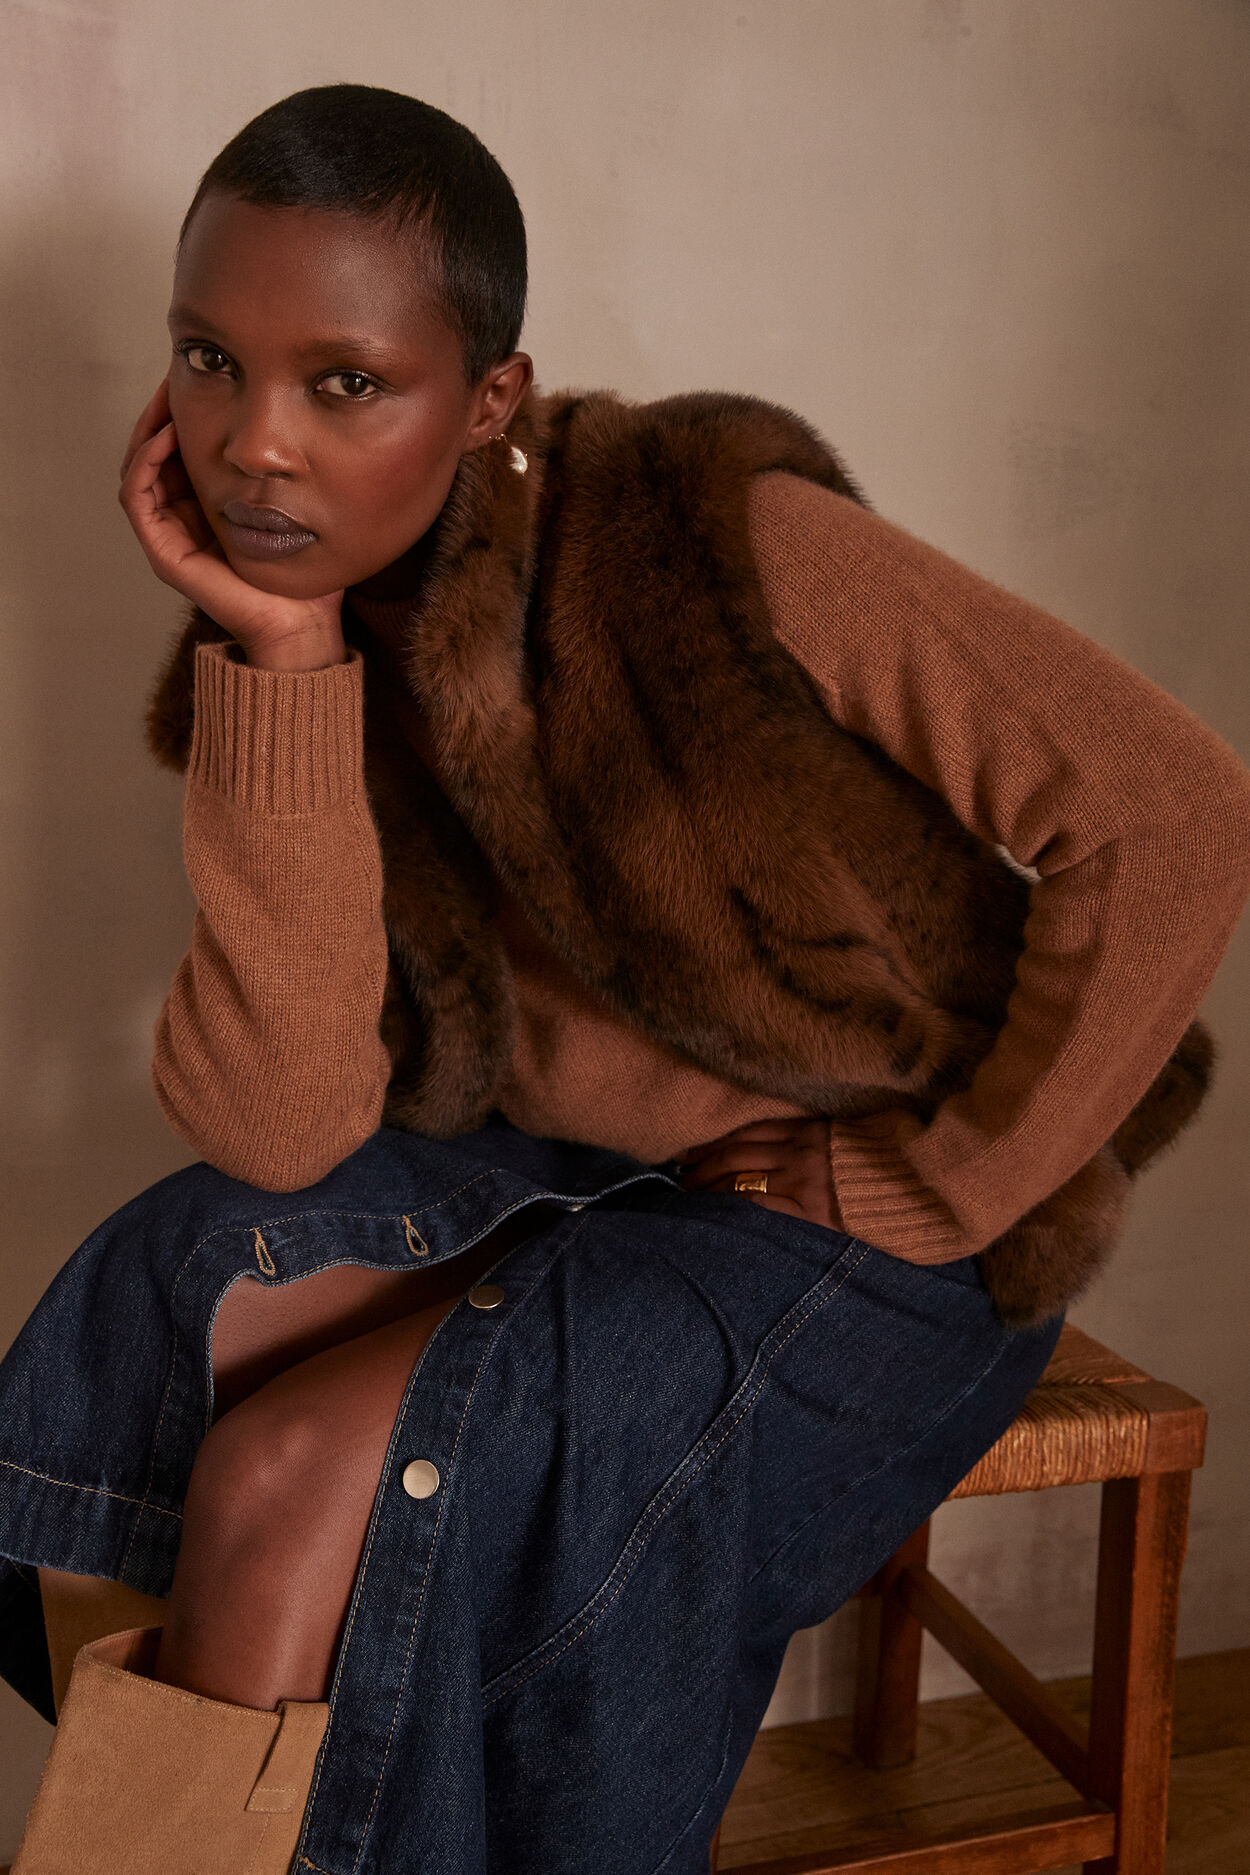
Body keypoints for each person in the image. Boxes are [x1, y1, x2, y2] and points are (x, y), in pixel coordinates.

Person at [2, 82, 1248, 1875]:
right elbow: (282, 1131)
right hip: (573, 1181)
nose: (254, 445)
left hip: (873, 1248)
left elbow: (1171, 812)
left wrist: (948, 1182)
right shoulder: (297, 650)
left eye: (343, 381)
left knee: (297, 1478)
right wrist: (277, 659)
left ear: (487, 397)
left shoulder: (700, 542)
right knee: (175, 1288)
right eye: (209, 361)